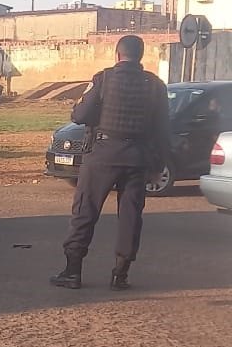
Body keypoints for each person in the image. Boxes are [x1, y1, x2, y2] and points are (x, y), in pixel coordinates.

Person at [51, 35, 171, 291]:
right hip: (138, 158)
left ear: (117, 55)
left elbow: (80, 115)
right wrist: (158, 165)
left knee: (85, 212)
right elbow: (162, 130)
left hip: (103, 155)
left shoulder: (103, 79)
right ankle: (121, 274)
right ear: (141, 56)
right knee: (130, 217)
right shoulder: (155, 85)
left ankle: (72, 272)